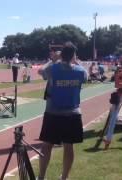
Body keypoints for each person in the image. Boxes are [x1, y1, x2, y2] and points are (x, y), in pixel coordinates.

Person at [37, 42, 88, 180]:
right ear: (73, 56)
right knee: (68, 146)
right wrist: (74, 59)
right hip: (73, 113)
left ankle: (41, 177)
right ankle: (64, 178)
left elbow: (40, 70)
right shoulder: (80, 71)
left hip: (53, 112)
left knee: (47, 145)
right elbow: (86, 75)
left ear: (62, 54)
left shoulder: (53, 68)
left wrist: (53, 59)